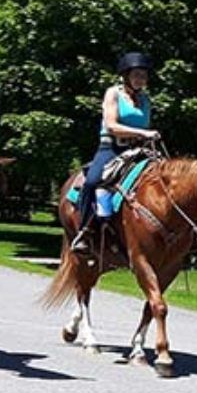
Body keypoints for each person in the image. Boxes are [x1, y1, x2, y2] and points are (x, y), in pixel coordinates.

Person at [69, 52, 160, 257]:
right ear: (126, 76)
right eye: (137, 75)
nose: (141, 79)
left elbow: (145, 127)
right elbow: (111, 125)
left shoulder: (145, 100)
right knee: (92, 181)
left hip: (137, 150)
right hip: (111, 148)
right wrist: (143, 133)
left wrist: (146, 138)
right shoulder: (113, 93)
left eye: (144, 75)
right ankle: (84, 232)